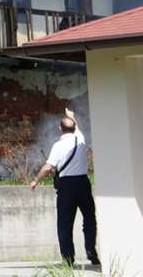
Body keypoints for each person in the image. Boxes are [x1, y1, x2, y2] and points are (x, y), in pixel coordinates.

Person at [30, 108, 99, 267]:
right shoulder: (80, 140)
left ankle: (68, 259)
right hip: (83, 183)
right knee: (89, 218)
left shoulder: (58, 146)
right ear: (74, 128)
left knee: (65, 223)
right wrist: (72, 117)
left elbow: (48, 167)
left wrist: (36, 180)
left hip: (66, 186)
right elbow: (78, 130)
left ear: (60, 129)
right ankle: (91, 251)